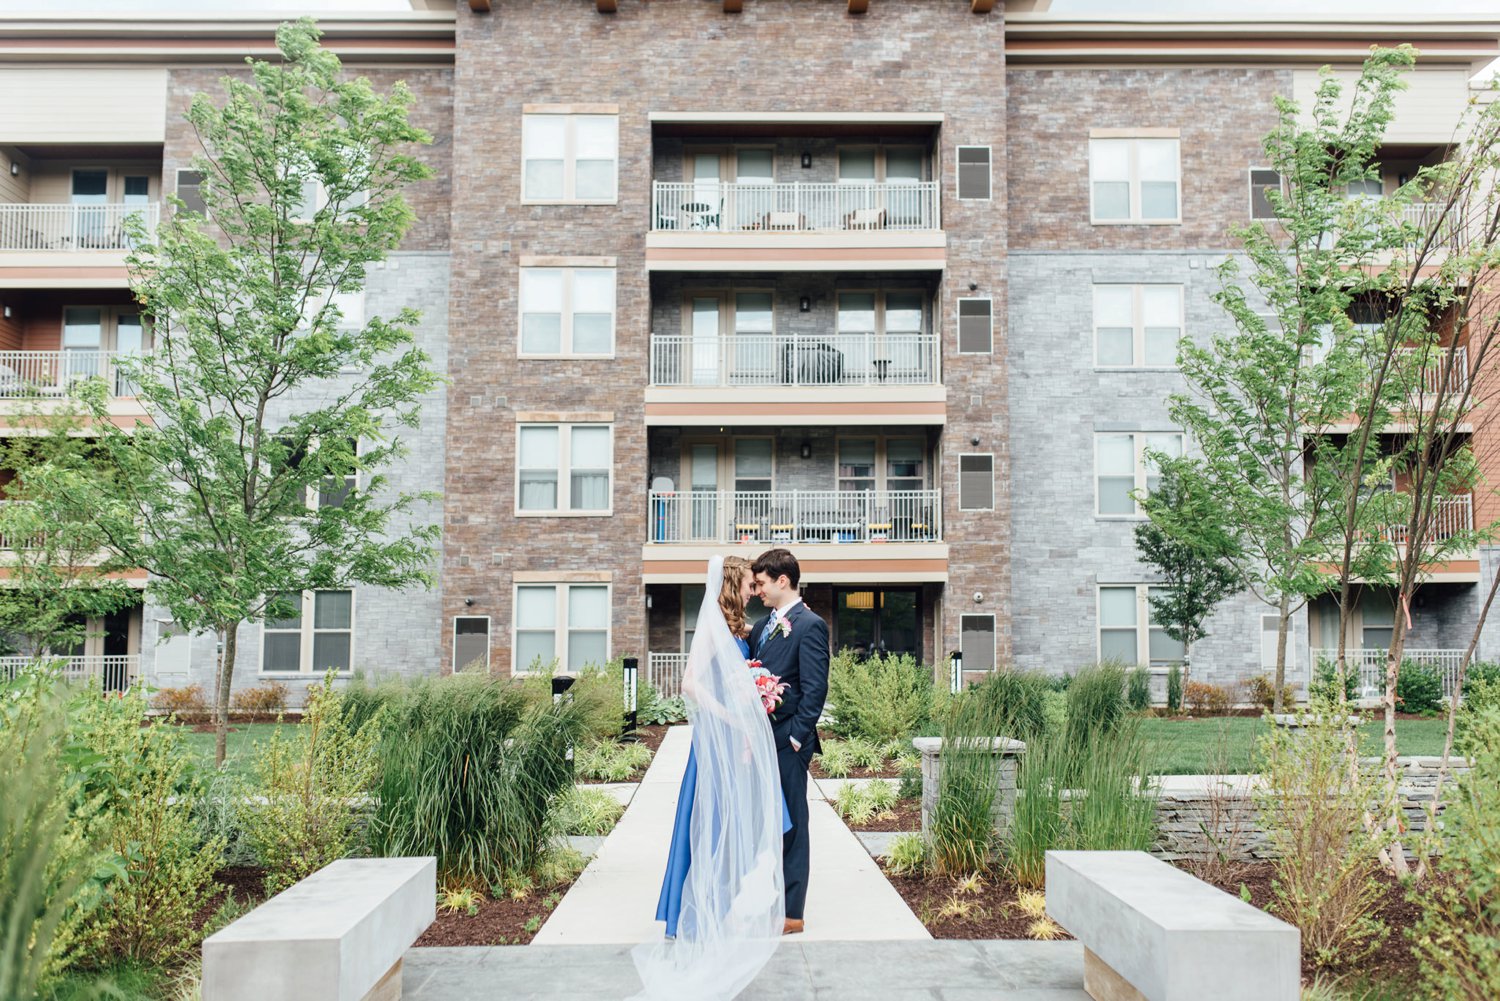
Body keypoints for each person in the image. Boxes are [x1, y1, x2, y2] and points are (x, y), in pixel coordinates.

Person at [631, 556, 789, 1001]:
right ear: (730, 584)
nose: (750, 591)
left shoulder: (736, 628)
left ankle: (718, 907)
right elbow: (691, 685)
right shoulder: (712, 627)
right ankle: (695, 915)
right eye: (745, 584)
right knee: (708, 825)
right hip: (715, 745)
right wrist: (732, 719)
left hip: (730, 747)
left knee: (730, 825)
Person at [749, 548, 830, 937]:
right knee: (767, 824)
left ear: (783, 580)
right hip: (759, 741)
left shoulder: (810, 624)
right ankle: (769, 898)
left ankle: (792, 912)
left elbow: (815, 689)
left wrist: (797, 738)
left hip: (788, 743)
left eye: (762, 583)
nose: (757, 590)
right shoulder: (762, 625)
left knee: (793, 824)